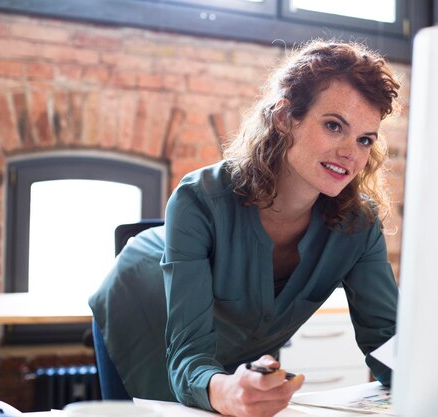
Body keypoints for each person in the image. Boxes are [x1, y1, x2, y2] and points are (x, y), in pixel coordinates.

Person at [89, 39, 400, 417]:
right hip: (142, 311)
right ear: (285, 118)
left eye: (365, 139)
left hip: (237, 346)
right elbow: (189, 355)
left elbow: (387, 343)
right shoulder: (198, 199)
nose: (351, 153)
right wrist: (227, 391)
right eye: (334, 126)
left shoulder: (358, 224)